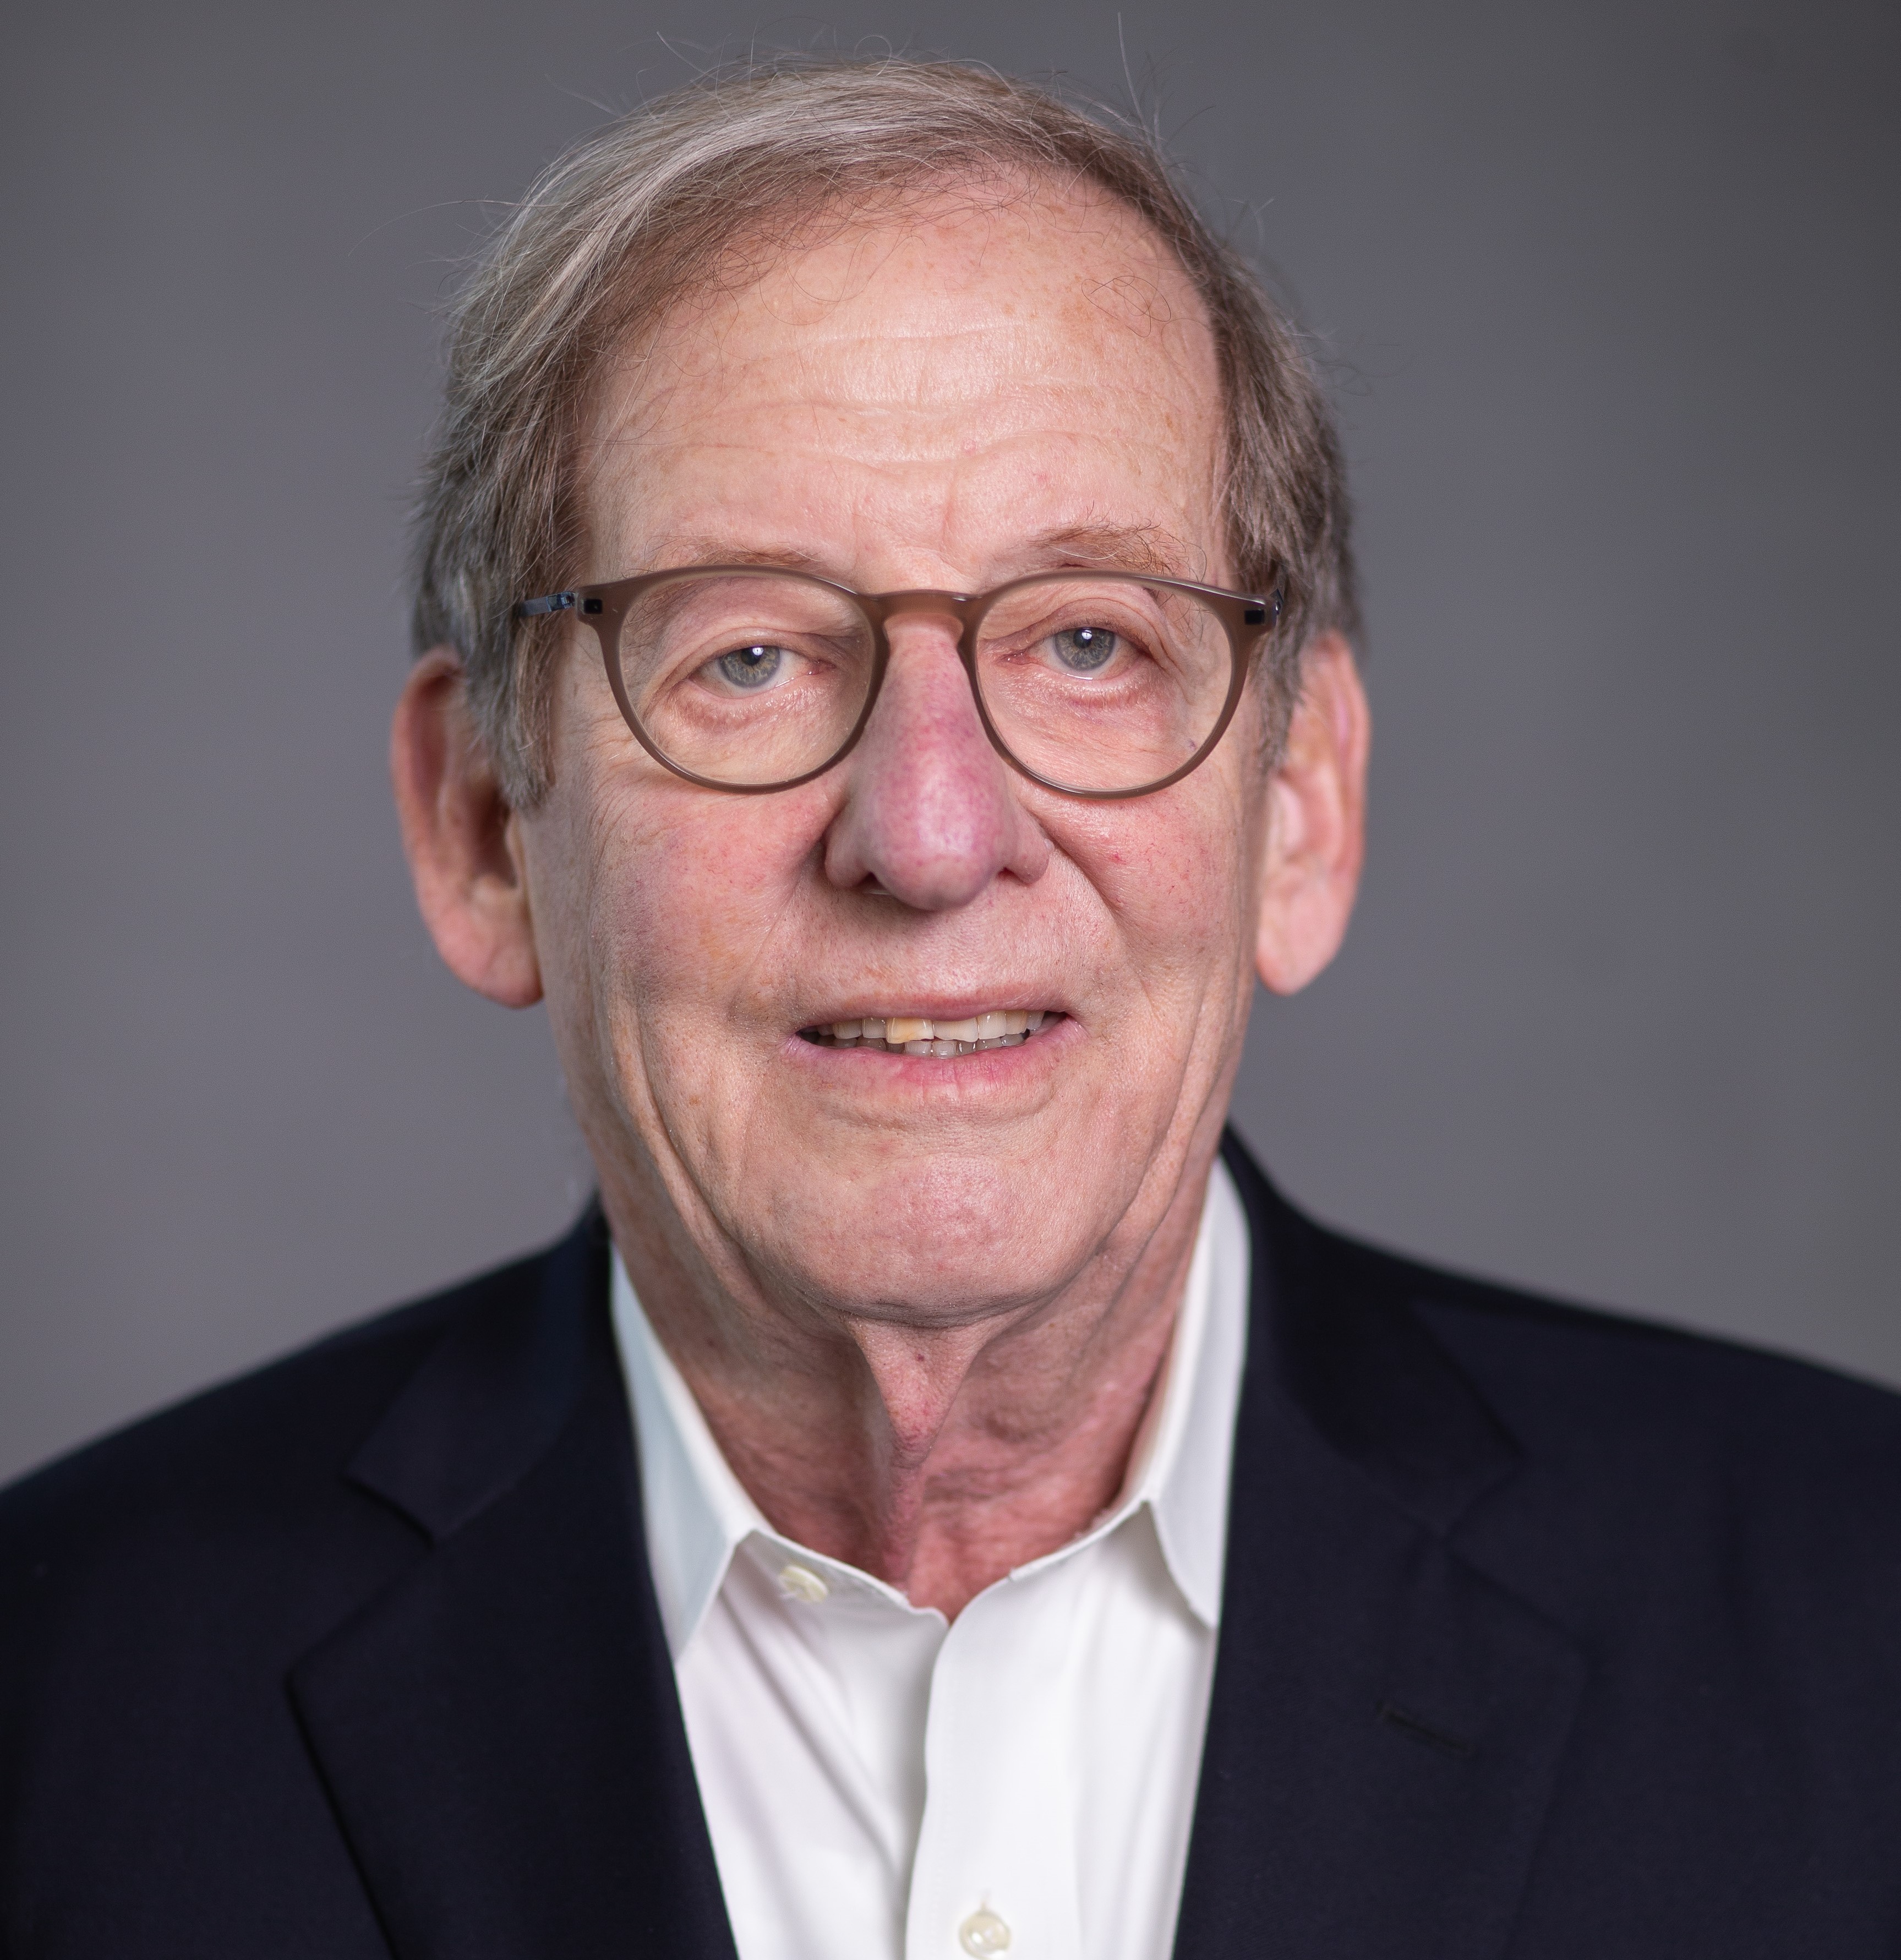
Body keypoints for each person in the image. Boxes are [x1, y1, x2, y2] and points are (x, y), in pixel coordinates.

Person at [2, 54, 1898, 1959]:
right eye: (750, 655)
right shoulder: (57, 1713)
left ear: (1301, 805)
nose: (926, 834)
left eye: (1089, 640)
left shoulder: (1854, 1614)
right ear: (486, 824)